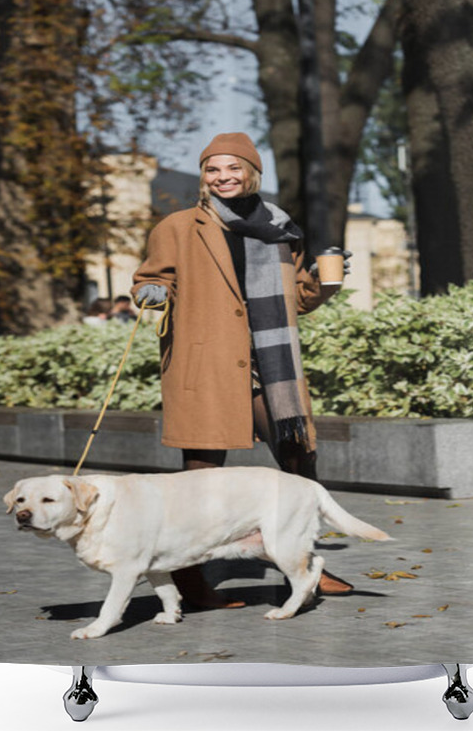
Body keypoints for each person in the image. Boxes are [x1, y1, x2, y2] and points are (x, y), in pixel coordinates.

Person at [131, 132, 352, 610]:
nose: (222, 177)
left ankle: (305, 563)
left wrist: (323, 279)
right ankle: (189, 581)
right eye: (213, 169)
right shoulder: (179, 226)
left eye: (233, 169)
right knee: (201, 479)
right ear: (203, 176)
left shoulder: (279, 225)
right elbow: (152, 275)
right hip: (206, 363)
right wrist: (152, 291)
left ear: (252, 173)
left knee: (298, 462)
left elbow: (297, 297)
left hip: (269, 368)